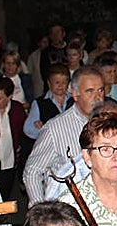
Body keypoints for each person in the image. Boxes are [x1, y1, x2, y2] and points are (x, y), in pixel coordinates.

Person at [24, 65, 107, 203]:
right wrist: (41, 212)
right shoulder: (55, 128)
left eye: (100, 90)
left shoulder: (110, 122)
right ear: (75, 94)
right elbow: (32, 171)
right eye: (90, 91)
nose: (97, 97)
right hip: (67, 210)